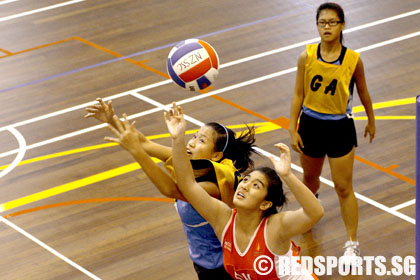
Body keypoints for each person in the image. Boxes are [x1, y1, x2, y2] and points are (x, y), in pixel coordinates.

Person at [85, 98, 258, 280]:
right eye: (194, 136)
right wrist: (111, 119)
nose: (192, 143)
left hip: (226, 269)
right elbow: (144, 143)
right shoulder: (190, 163)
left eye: (201, 141)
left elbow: (170, 189)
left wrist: (137, 152)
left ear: (216, 155)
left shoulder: (213, 187)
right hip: (204, 263)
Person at [160, 103, 323, 279]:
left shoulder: (276, 227)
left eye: (256, 185)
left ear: (265, 203)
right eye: (246, 180)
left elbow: (315, 212)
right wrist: (177, 139)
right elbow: (188, 185)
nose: (244, 185)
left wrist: (288, 175)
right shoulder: (222, 219)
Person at [288, 2, 376, 261]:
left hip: (339, 127)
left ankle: (352, 243)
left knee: (343, 187)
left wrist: (371, 120)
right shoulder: (306, 56)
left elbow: (363, 92)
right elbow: (297, 94)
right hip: (311, 124)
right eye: (322, 23)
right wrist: (292, 127)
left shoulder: (353, 60)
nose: (326, 27)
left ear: (342, 25)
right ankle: (310, 211)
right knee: (310, 180)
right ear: (317, 25)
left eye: (332, 22)